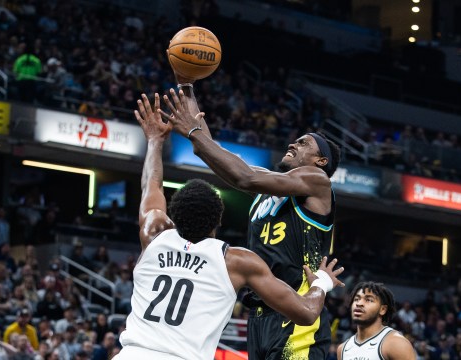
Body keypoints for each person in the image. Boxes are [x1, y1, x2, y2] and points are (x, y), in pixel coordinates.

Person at [113, 93, 345, 359]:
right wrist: (188, 88)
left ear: (321, 161)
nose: (294, 143)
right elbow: (217, 155)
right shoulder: (267, 192)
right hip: (260, 314)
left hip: (296, 310)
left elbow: (243, 176)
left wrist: (192, 132)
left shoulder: (318, 181)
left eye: (304, 143)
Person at [336, 281, 416, 360]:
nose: (359, 303)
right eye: (356, 299)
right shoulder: (342, 349)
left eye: (369, 300)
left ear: (383, 309)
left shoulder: (396, 343)